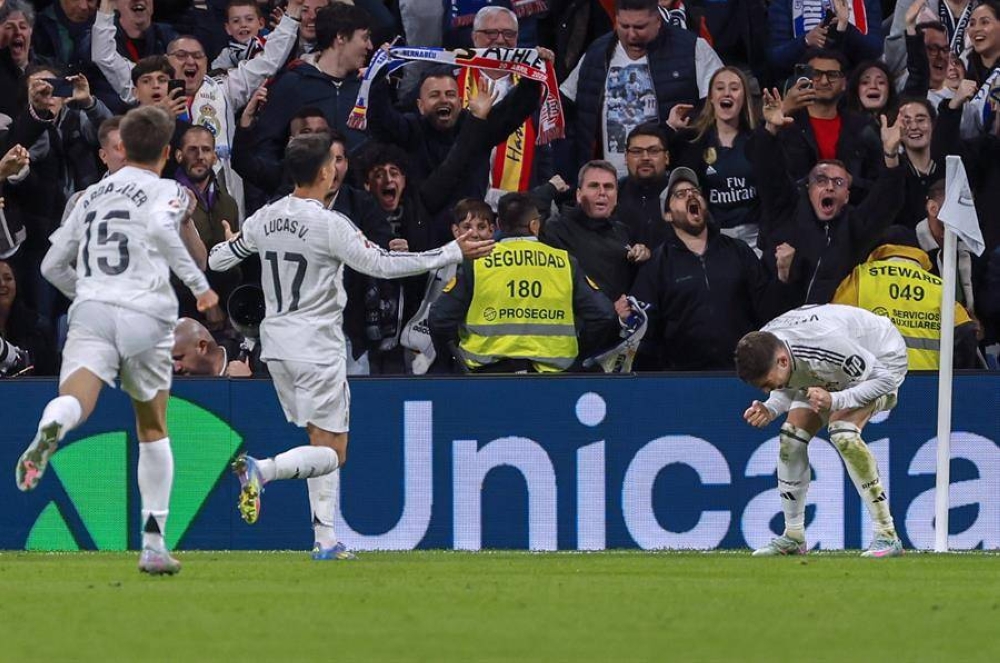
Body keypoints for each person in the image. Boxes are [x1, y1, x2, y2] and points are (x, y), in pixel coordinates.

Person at [206, 133, 494, 560]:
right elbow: (381, 263)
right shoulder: (328, 223)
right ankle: (262, 470)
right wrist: (448, 252)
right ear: (325, 171)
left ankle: (325, 540)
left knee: (317, 438)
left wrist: (232, 239)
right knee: (333, 452)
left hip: (277, 347)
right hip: (318, 346)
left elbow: (217, 260)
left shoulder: (264, 218)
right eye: (334, 163)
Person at [14, 106, 220, 576]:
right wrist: (199, 286)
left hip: (93, 309)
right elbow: (172, 242)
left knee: (76, 400)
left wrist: (86, 291)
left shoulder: (90, 196)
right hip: (145, 312)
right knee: (152, 428)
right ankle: (153, 544)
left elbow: (49, 267)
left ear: (121, 146)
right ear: (168, 152)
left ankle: (52, 430)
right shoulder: (167, 190)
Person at [735, 304, 907, 558]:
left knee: (842, 432)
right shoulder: (768, 344)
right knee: (790, 440)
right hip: (832, 363)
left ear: (782, 360)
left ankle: (887, 535)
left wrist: (835, 401)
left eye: (767, 385)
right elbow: (793, 378)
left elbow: (884, 381)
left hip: (881, 357)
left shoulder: (823, 345)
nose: (765, 390)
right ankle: (793, 536)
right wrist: (771, 407)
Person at [429, 191, 625, 373]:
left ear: (498, 225)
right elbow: (604, 315)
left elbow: (439, 318)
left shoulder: (477, 262)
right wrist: (578, 355)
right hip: (553, 380)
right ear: (534, 225)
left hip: (487, 379)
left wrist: (453, 364)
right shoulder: (565, 262)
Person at [751, 87, 905, 305]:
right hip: (782, 321)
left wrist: (890, 154)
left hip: (835, 327)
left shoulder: (854, 228)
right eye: (821, 180)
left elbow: (887, 202)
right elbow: (769, 173)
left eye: (839, 182)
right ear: (808, 188)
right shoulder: (786, 212)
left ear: (847, 196)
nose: (830, 186)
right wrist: (770, 129)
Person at [630, 167, 795, 370]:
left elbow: (767, 312)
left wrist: (783, 275)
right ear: (667, 215)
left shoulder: (737, 250)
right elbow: (647, 333)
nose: (690, 195)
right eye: (680, 194)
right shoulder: (658, 264)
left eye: (695, 191)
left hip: (741, 373)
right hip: (682, 379)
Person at [560, 0, 723, 178]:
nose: (631, 35)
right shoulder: (596, 53)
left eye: (640, 27)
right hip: (607, 187)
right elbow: (561, 107)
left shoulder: (693, 49)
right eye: (624, 26)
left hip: (671, 182)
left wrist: (685, 131)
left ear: (658, 20)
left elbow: (719, 107)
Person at [830, 225, 979, 369]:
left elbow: (832, 325)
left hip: (873, 386)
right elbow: (965, 331)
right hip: (927, 388)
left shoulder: (860, 277)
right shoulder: (939, 286)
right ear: (916, 251)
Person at [666, 66, 760, 250]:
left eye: (734, 88)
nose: (727, 93)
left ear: (744, 97)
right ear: (711, 97)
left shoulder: (759, 139)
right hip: (712, 239)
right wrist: (669, 128)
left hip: (756, 239)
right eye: (720, 88)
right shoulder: (692, 141)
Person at [541, 160, 651, 300]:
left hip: (618, 320)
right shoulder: (556, 228)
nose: (602, 192)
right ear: (579, 195)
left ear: (616, 196)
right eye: (594, 186)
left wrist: (642, 260)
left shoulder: (623, 231)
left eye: (608, 187)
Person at [616, 123, 671, 250]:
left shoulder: (682, 195)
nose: (645, 158)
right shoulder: (613, 194)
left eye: (654, 151)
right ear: (626, 157)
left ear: (666, 157)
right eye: (637, 152)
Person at [172, 316, 255, 376]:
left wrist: (249, 384)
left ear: (202, 347)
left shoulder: (255, 360)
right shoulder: (175, 383)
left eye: (179, 358)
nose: (176, 368)